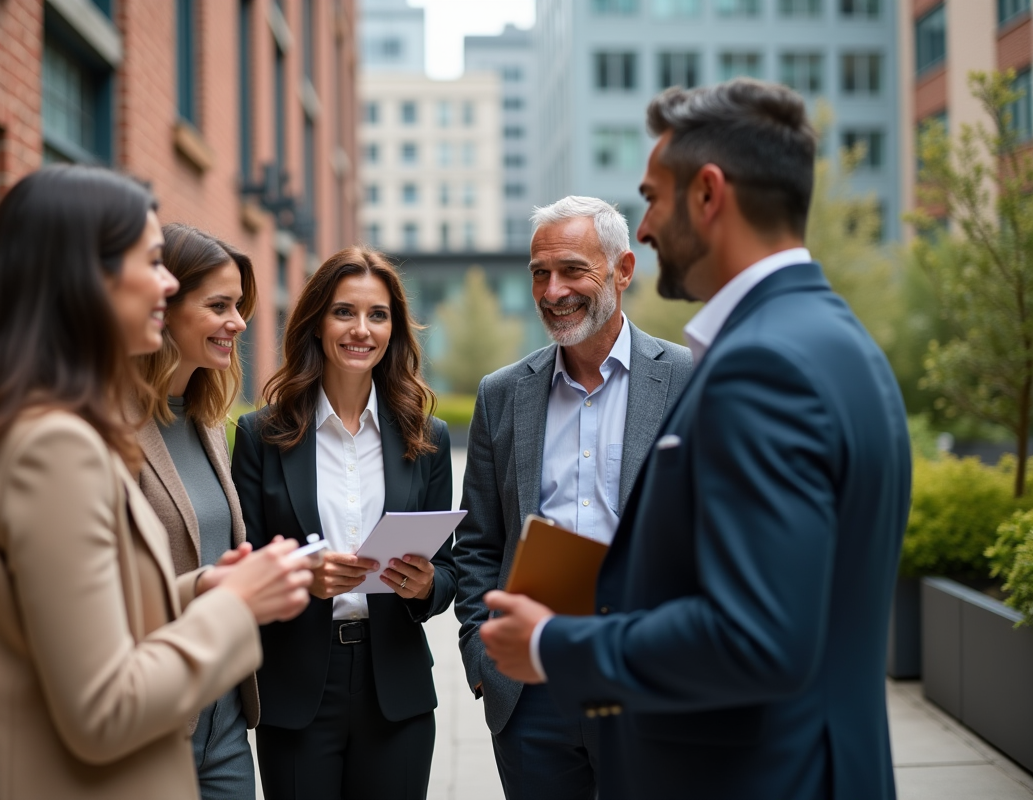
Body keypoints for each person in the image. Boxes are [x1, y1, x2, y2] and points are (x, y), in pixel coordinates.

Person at [481, 79, 912, 800]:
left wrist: (553, 644)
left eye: (653, 198)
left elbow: (756, 637)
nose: (647, 228)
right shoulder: (834, 338)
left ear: (708, 193)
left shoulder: (762, 365)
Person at [0, 165, 315, 800]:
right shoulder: (56, 447)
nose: (167, 282)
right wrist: (236, 606)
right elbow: (103, 709)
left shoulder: (40, 425)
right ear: (84, 279)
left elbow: (80, 619)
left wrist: (204, 585)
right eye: (151, 261)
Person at [453, 195, 692, 799]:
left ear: (623, 270)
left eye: (572, 270)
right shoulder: (502, 394)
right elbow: (478, 542)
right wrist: (484, 661)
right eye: (540, 273)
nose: (553, 291)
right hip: (532, 692)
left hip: (646, 677)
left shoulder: (690, 379)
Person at [231, 247, 457, 800]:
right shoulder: (262, 436)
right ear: (316, 322)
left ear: (393, 329)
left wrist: (426, 585)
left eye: (378, 315)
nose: (362, 329)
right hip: (297, 689)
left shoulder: (427, 438)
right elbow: (242, 564)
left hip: (396, 689)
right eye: (343, 312)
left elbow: (449, 570)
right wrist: (301, 579)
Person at [134, 223, 262, 800]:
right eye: (219, 306)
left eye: (238, 306)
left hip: (225, 720)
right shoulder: (106, 429)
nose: (239, 322)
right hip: (152, 722)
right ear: (164, 306)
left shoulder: (207, 420)